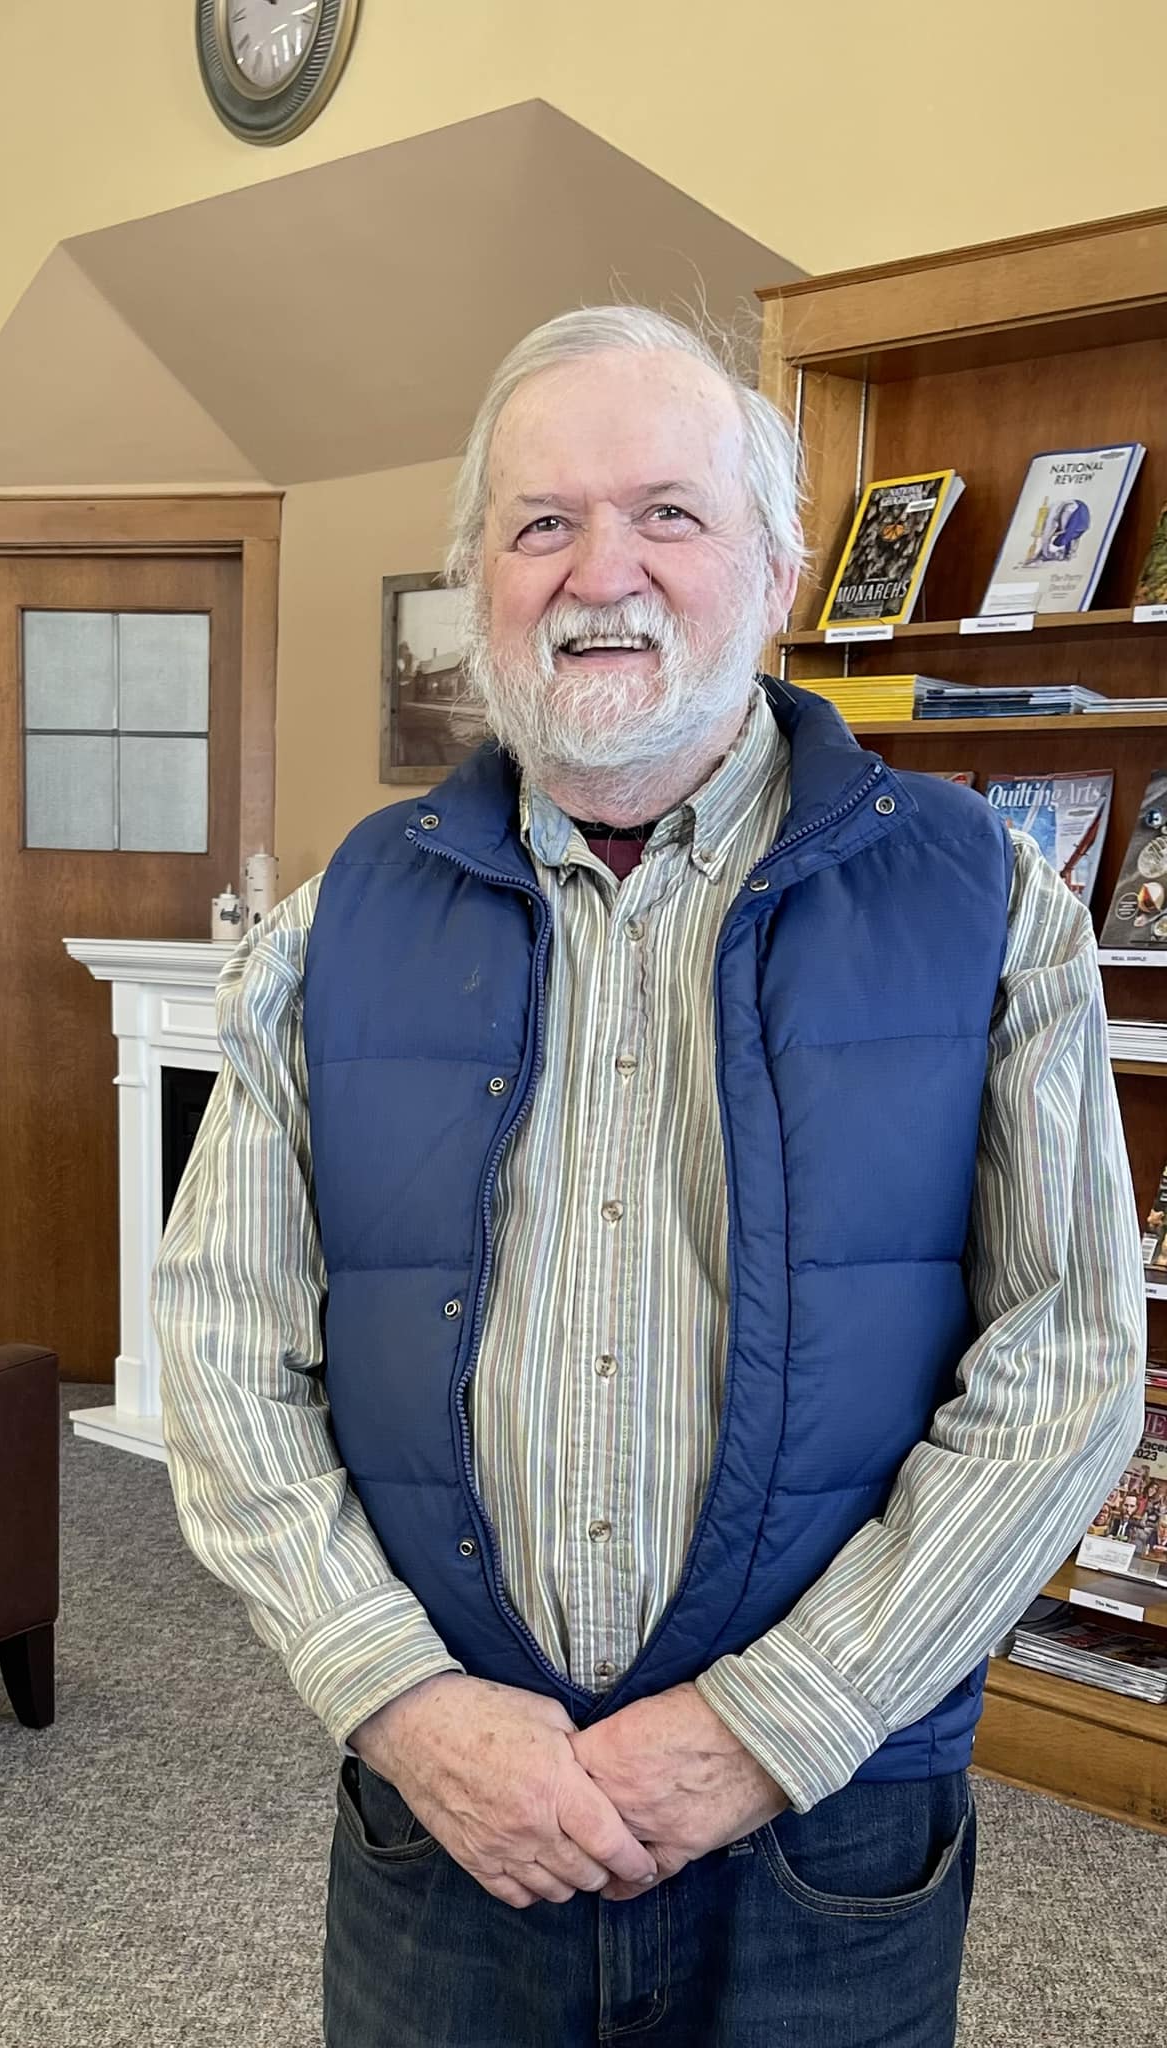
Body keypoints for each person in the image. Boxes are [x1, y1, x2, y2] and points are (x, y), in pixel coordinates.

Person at [151, 306, 1145, 2048]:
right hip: (447, 1817)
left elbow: (1066, 1370)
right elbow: (225, 1358)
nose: (600, 570)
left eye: (668, 515)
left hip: (828, 1834)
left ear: (771, 572)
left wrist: (776, 1721)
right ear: (480, 579)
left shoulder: (988, 907)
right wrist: (395, 1698)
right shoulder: (333, 929)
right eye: (542, 524)